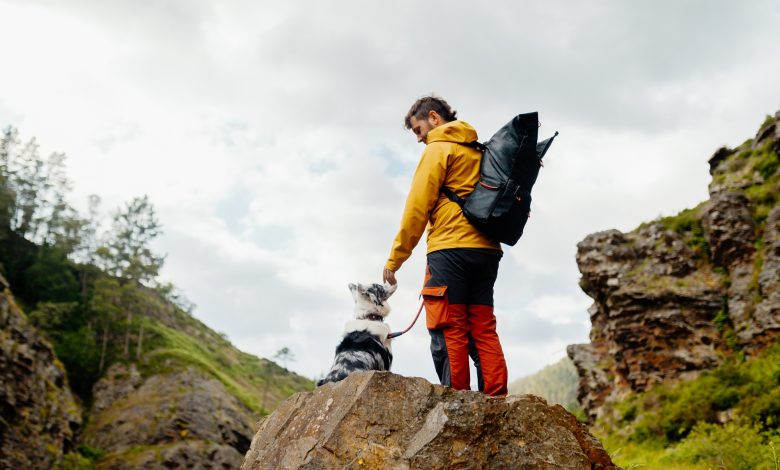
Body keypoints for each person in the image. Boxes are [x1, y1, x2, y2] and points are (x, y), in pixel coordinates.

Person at [382, 95, 508, 396]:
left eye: (418, 130)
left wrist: (395, 260)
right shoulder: (480, 150)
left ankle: (459, 404)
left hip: (450, 250)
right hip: (488, 251)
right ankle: (498, 401)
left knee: (448, 328)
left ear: (434, 118)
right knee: (482, 327)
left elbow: (416, 209)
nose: (419, 138)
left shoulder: (438, 150)